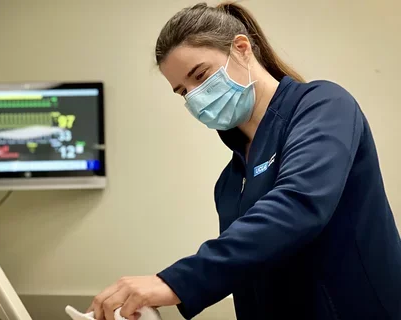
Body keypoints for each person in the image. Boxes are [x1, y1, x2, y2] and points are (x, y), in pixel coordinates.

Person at [88, 2, 401, 320]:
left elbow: (298, 204)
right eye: (183, 91)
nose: (195, 95)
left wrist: (175, 281)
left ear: (241, 48)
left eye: (200, 75)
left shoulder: (323, 106)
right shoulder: (230, 181)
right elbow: (248, 268)